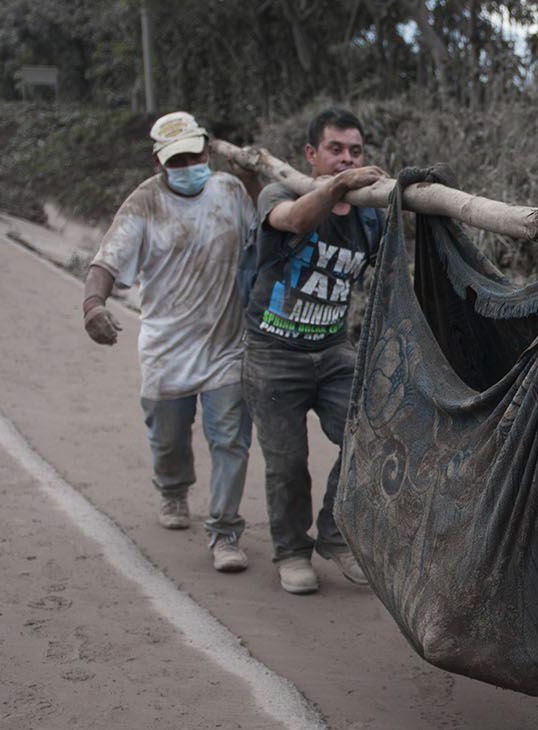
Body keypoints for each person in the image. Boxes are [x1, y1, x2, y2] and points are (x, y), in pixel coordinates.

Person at [83, 111, 255, 573]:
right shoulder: (145, 202)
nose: (187, 165)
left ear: (207, 151)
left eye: (193, 155)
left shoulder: (230, 191)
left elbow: (265, 235)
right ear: (159, 163)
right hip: (167, 348)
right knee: (169, 439)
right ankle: (173, 488)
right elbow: (108, 260)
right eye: (176, 159)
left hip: (226, 346)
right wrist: (93, 305)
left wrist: (253, 178)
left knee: (231, 440)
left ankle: (224, 531)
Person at [241, 107, 385, 595]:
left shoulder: (370, 217)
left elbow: (391, 275)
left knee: (369, 437)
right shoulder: (282, 191)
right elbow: (295, 219)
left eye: (355, 151)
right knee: (286, 463)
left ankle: (336, 535)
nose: (346, 159)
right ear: (311, 154)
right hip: (272, 355)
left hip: (331, 352)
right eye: (335, 150)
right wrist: (336, 187)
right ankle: (292, 552)